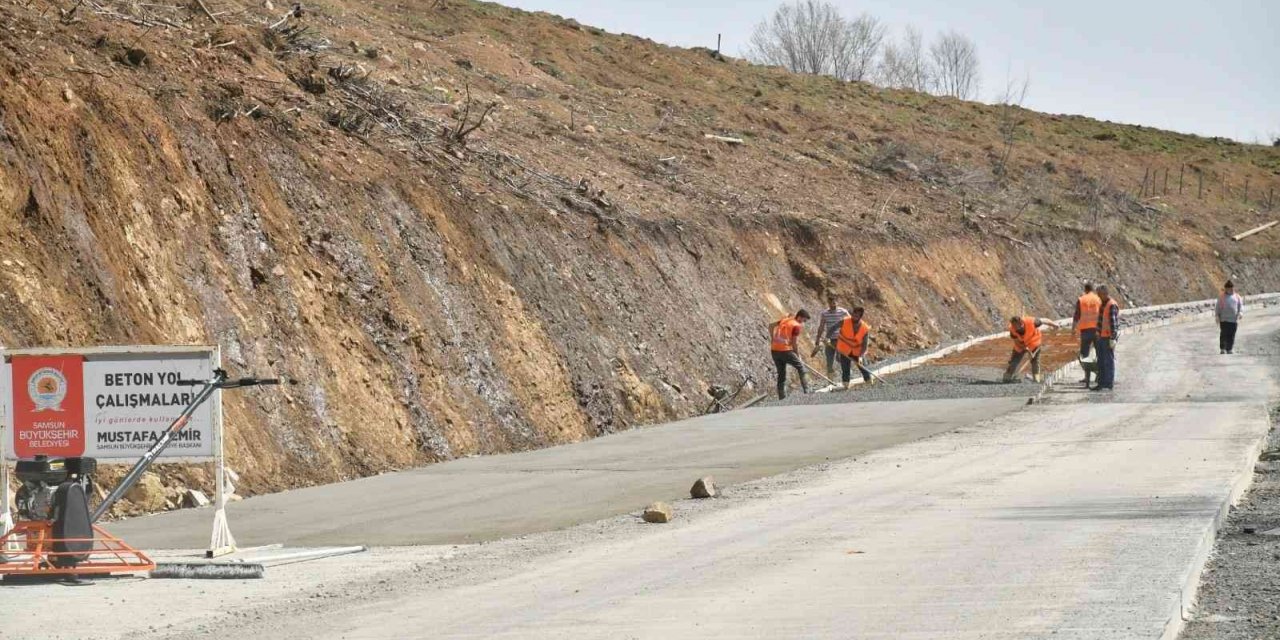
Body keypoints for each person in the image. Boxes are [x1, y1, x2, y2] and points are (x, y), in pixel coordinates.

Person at [1004, 315, 1061, 383]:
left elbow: (1045, 320)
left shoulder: (1031, 322)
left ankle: (1036, 379)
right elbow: (1017, 342)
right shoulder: (1012, 329)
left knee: (1035, 361)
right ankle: (1007, 378)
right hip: (1020, 345)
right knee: (1014, 362)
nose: (1016, 328)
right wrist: (1027, 350)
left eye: (1017, 326)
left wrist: (1054, 325)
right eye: (1014, 326)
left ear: (1021, 323)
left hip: (1034, 343)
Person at [770, 309, 811, 399]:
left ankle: (782, 398)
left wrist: (772, 339)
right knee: (801, 367)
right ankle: (807, 391)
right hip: (785, 350)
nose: (803, 323)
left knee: (781, 373)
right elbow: (794, 343)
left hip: (774, 350)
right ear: (799, 317)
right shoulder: (796, 326)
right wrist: (798, 355)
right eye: (803, 320)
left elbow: (771, 325)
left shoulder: (785, 320)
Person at [812, 296, 851, 379]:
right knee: (829, 359)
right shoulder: (825, 313)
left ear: (837, 302)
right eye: (831, 302)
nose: (833, 304)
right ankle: (831, 379)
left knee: (840, 358)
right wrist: (818, 339)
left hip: (841, 339)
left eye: (835, 302)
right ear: (828, 303)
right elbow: (821, 327)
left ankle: (846, 375)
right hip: (829, 340)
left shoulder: (843, 312)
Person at [834, 307, 872, 389]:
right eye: (853, 315)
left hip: (857, 351)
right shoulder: (845, 321)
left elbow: (865, 345)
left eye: (856, 316)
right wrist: (827, 337)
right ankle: (846, 384)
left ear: (860, 317)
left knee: (862, 366)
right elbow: (833, 327)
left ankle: (869, 381)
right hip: (845, 349)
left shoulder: (864, 328)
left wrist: (861, 357)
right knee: (845, 368)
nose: (853, 318)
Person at [1072, 282, 1102, 387]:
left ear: (1085, 289)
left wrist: (1073, 329)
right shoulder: (1099, 299)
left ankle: (1087, 376)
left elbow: (1076, 315)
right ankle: (1099, 375)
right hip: (1098, 330)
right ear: (1093, 289)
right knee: (1100, 353)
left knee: (1084, 355)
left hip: (1085, 330)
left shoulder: (1081, 299)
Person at [1093, 285, 1121, 391]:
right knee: (1100, 361)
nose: (1098, 297)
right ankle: (1101, 382)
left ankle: (1108, 383)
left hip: (1107, 337)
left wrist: (1112, 338)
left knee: (1108, 361)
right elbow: (1101, 320)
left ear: (1105, 294)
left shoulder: (1111, 305)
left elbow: (1113, 323)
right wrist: (1097, 332)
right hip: (1101, 337)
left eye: (1099, 294)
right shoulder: (1103, 304)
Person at [1216, 280, 1244, 354]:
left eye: (1231, 288)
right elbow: (1218, 307)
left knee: (1231, 334)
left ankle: (1229, 348)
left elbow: (1240, 306)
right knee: (1223, 334)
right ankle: (1223, 348)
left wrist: (1240, 313)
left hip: (1233, 320)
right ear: (1225, 288)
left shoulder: (1237, 297)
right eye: (1228, 288)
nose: (1229, 290)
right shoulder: (1221, 297)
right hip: (1224, 319)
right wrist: (1217, 316)